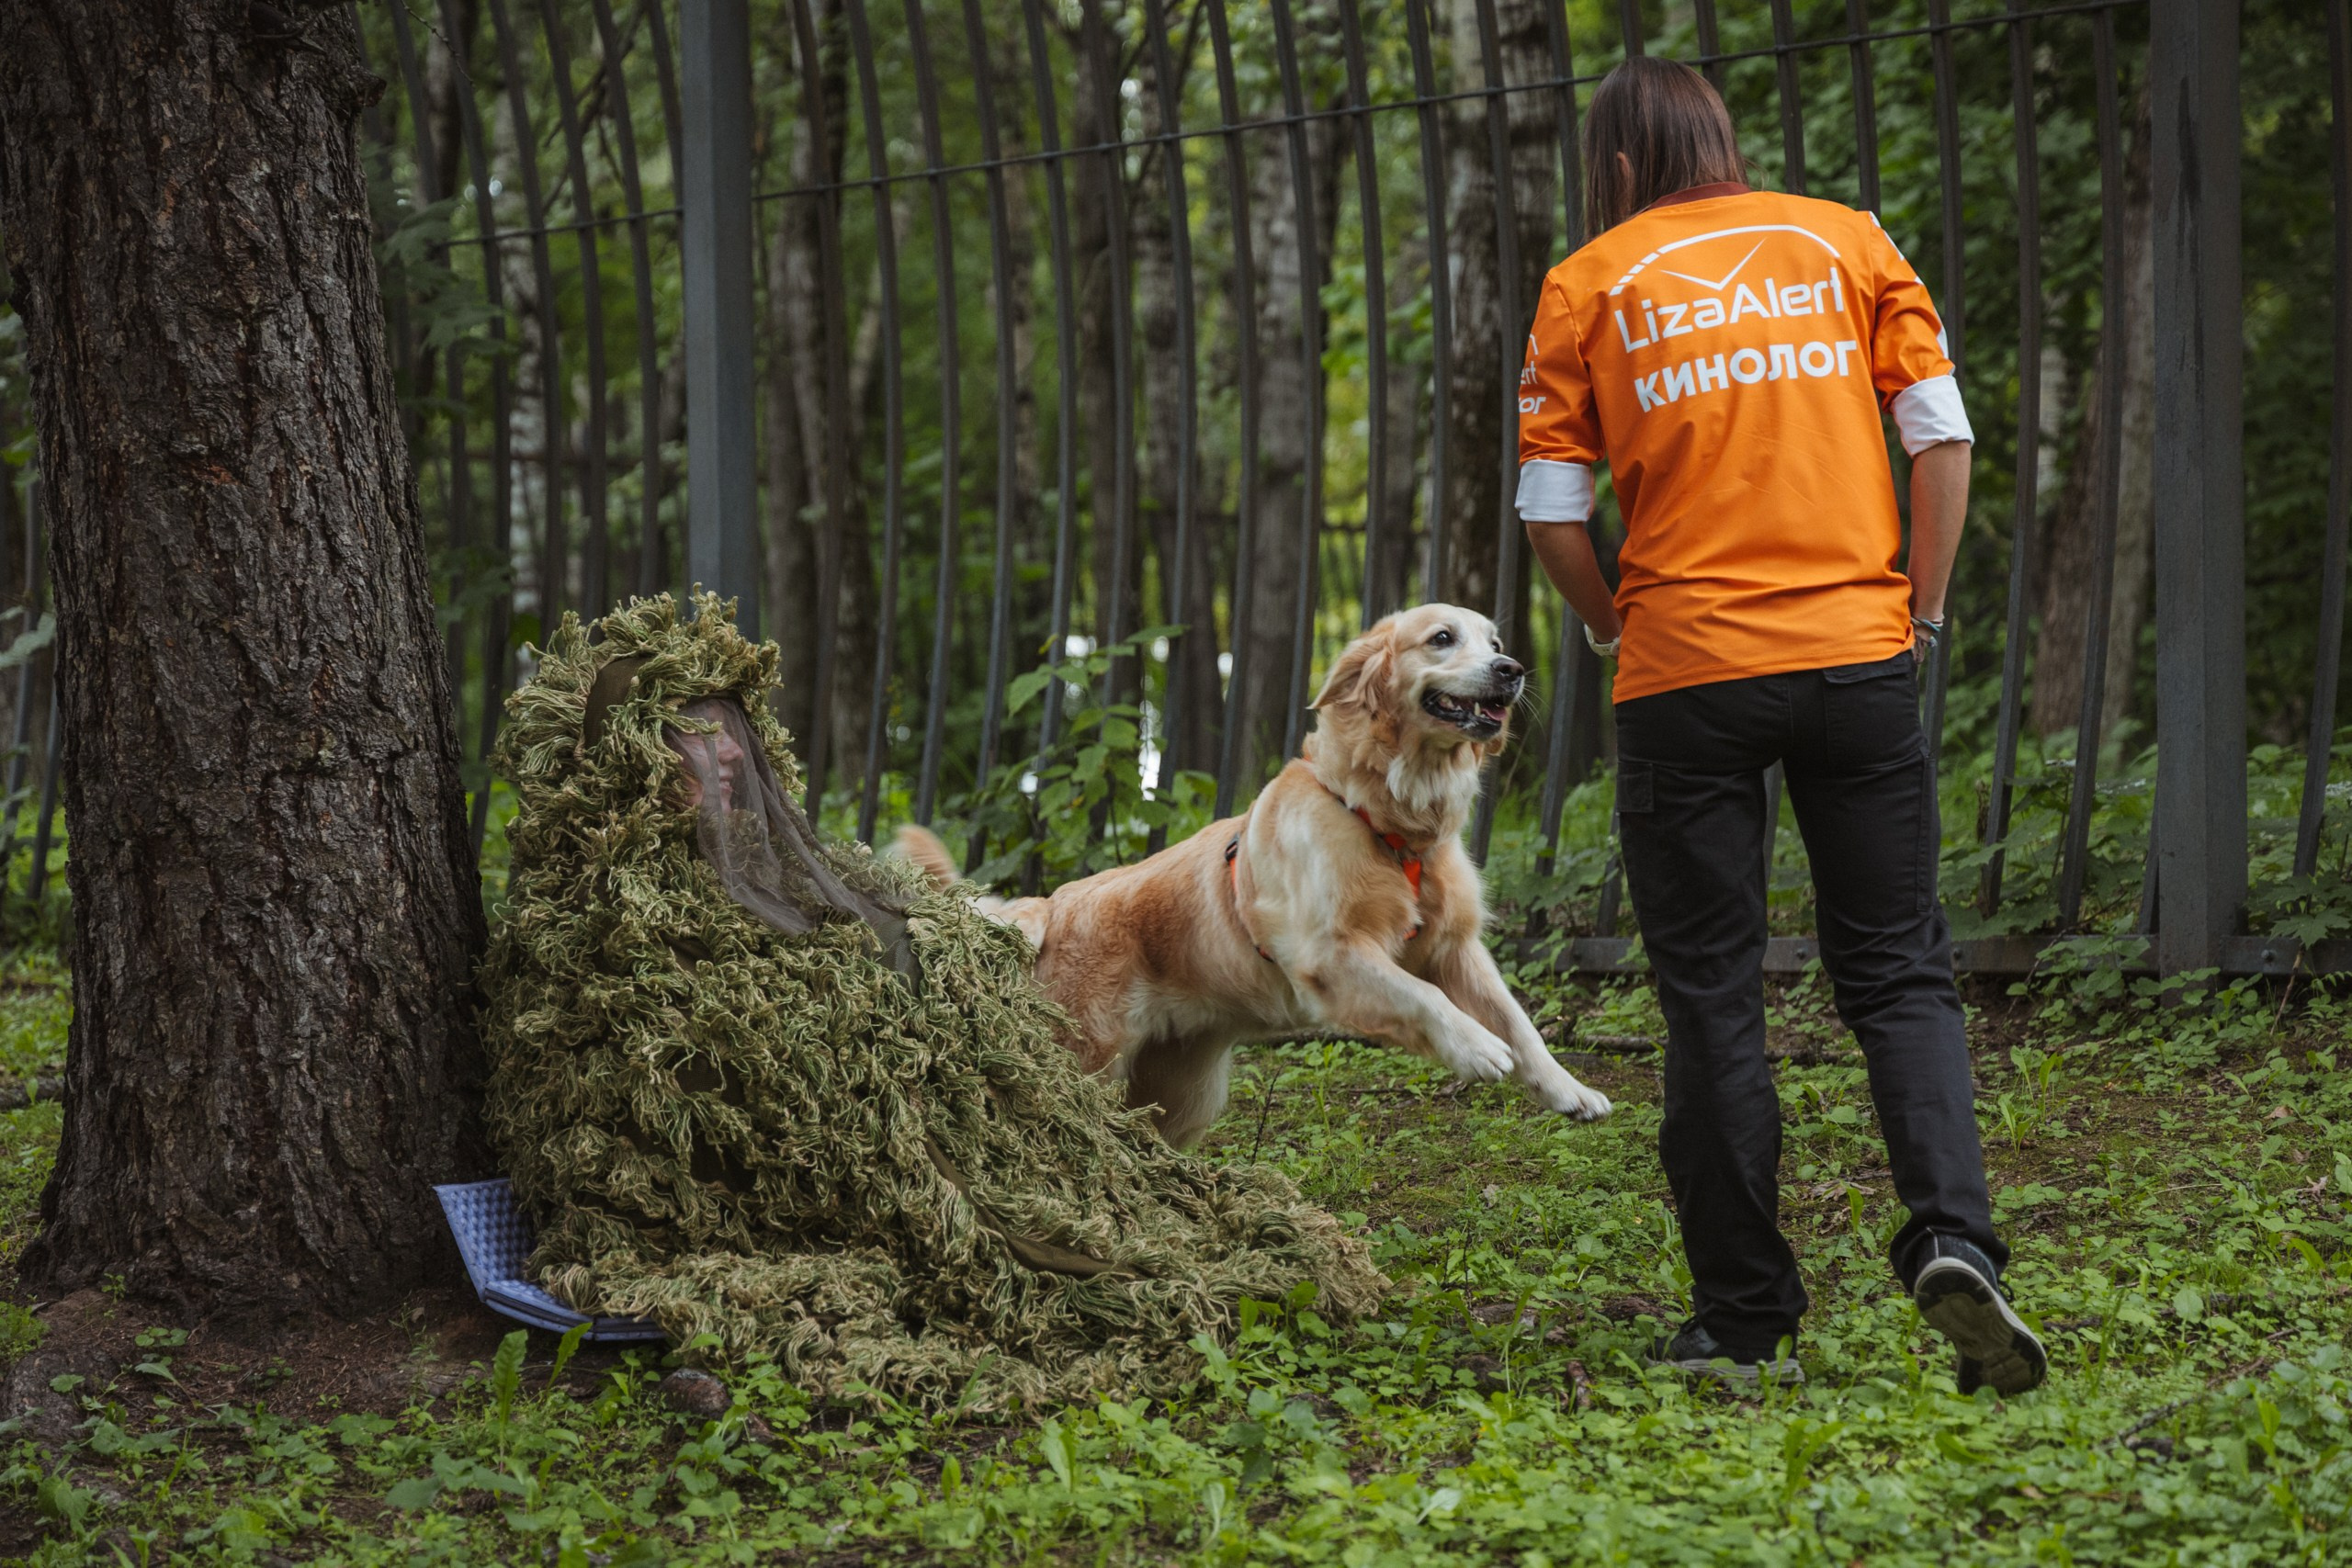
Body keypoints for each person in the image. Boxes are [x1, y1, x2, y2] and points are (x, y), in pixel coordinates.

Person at [1517, 58, 2045, 1394]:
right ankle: (1953, 1238)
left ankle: (1743, 1322)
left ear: (1620, 165)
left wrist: (1613, 629)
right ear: (1722, 140)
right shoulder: (1846, 239)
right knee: (1900, 972)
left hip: (1686, 674)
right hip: (1858, 661)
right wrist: (1914, 615)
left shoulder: (1591, 281)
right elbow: (1941, 437)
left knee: (1710, 992)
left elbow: (1549, 513)